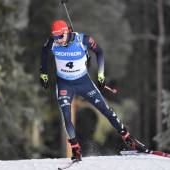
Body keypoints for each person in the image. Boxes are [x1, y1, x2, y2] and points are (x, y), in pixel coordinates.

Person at [40, 20, 149, 161]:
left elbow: (99, 52)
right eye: (55, 37)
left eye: (60, 37)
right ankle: (75, 149)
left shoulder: (82, 40)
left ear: (67, 32)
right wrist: (43, 73)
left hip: (84, 82)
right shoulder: (52, 43)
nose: (58, 40)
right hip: (64, 84)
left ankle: (129, 139)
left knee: (106, 110)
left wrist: (101, 74)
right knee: (66, 117)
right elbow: (43, 53)